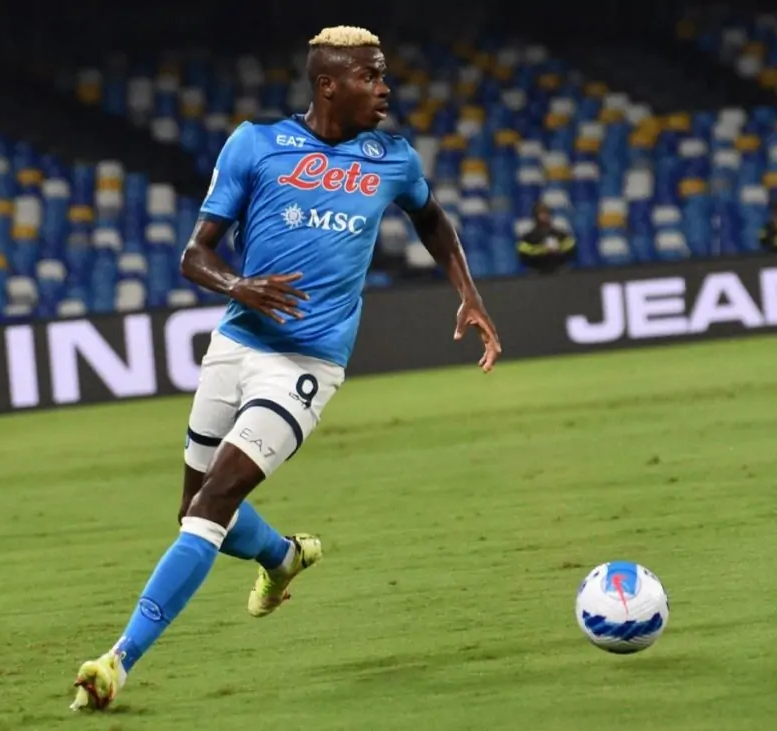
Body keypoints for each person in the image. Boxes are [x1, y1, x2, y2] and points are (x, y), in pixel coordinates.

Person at [70, 25, 501, 711]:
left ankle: (117, 660)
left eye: (383, 74)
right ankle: (281, 556)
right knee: (191, 507)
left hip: (305, 363)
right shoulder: (255, 144)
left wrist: (468, 294)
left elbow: (433, 221)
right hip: (236, 344)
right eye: (370, 76)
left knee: (212, 504)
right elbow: (194, 255)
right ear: (328, 85)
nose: (385, 88)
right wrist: (238, 285)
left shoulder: (392, 158)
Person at [516, 202, 576, 274]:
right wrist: (543, 250)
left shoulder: (559, 234)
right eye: (541, 214)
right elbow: (524, 254)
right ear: (535, 216)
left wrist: (558, 249)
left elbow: (570, 247)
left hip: (559, 270)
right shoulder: (529, 237)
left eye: (547, 213)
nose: (544, 216)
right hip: (536, 271)